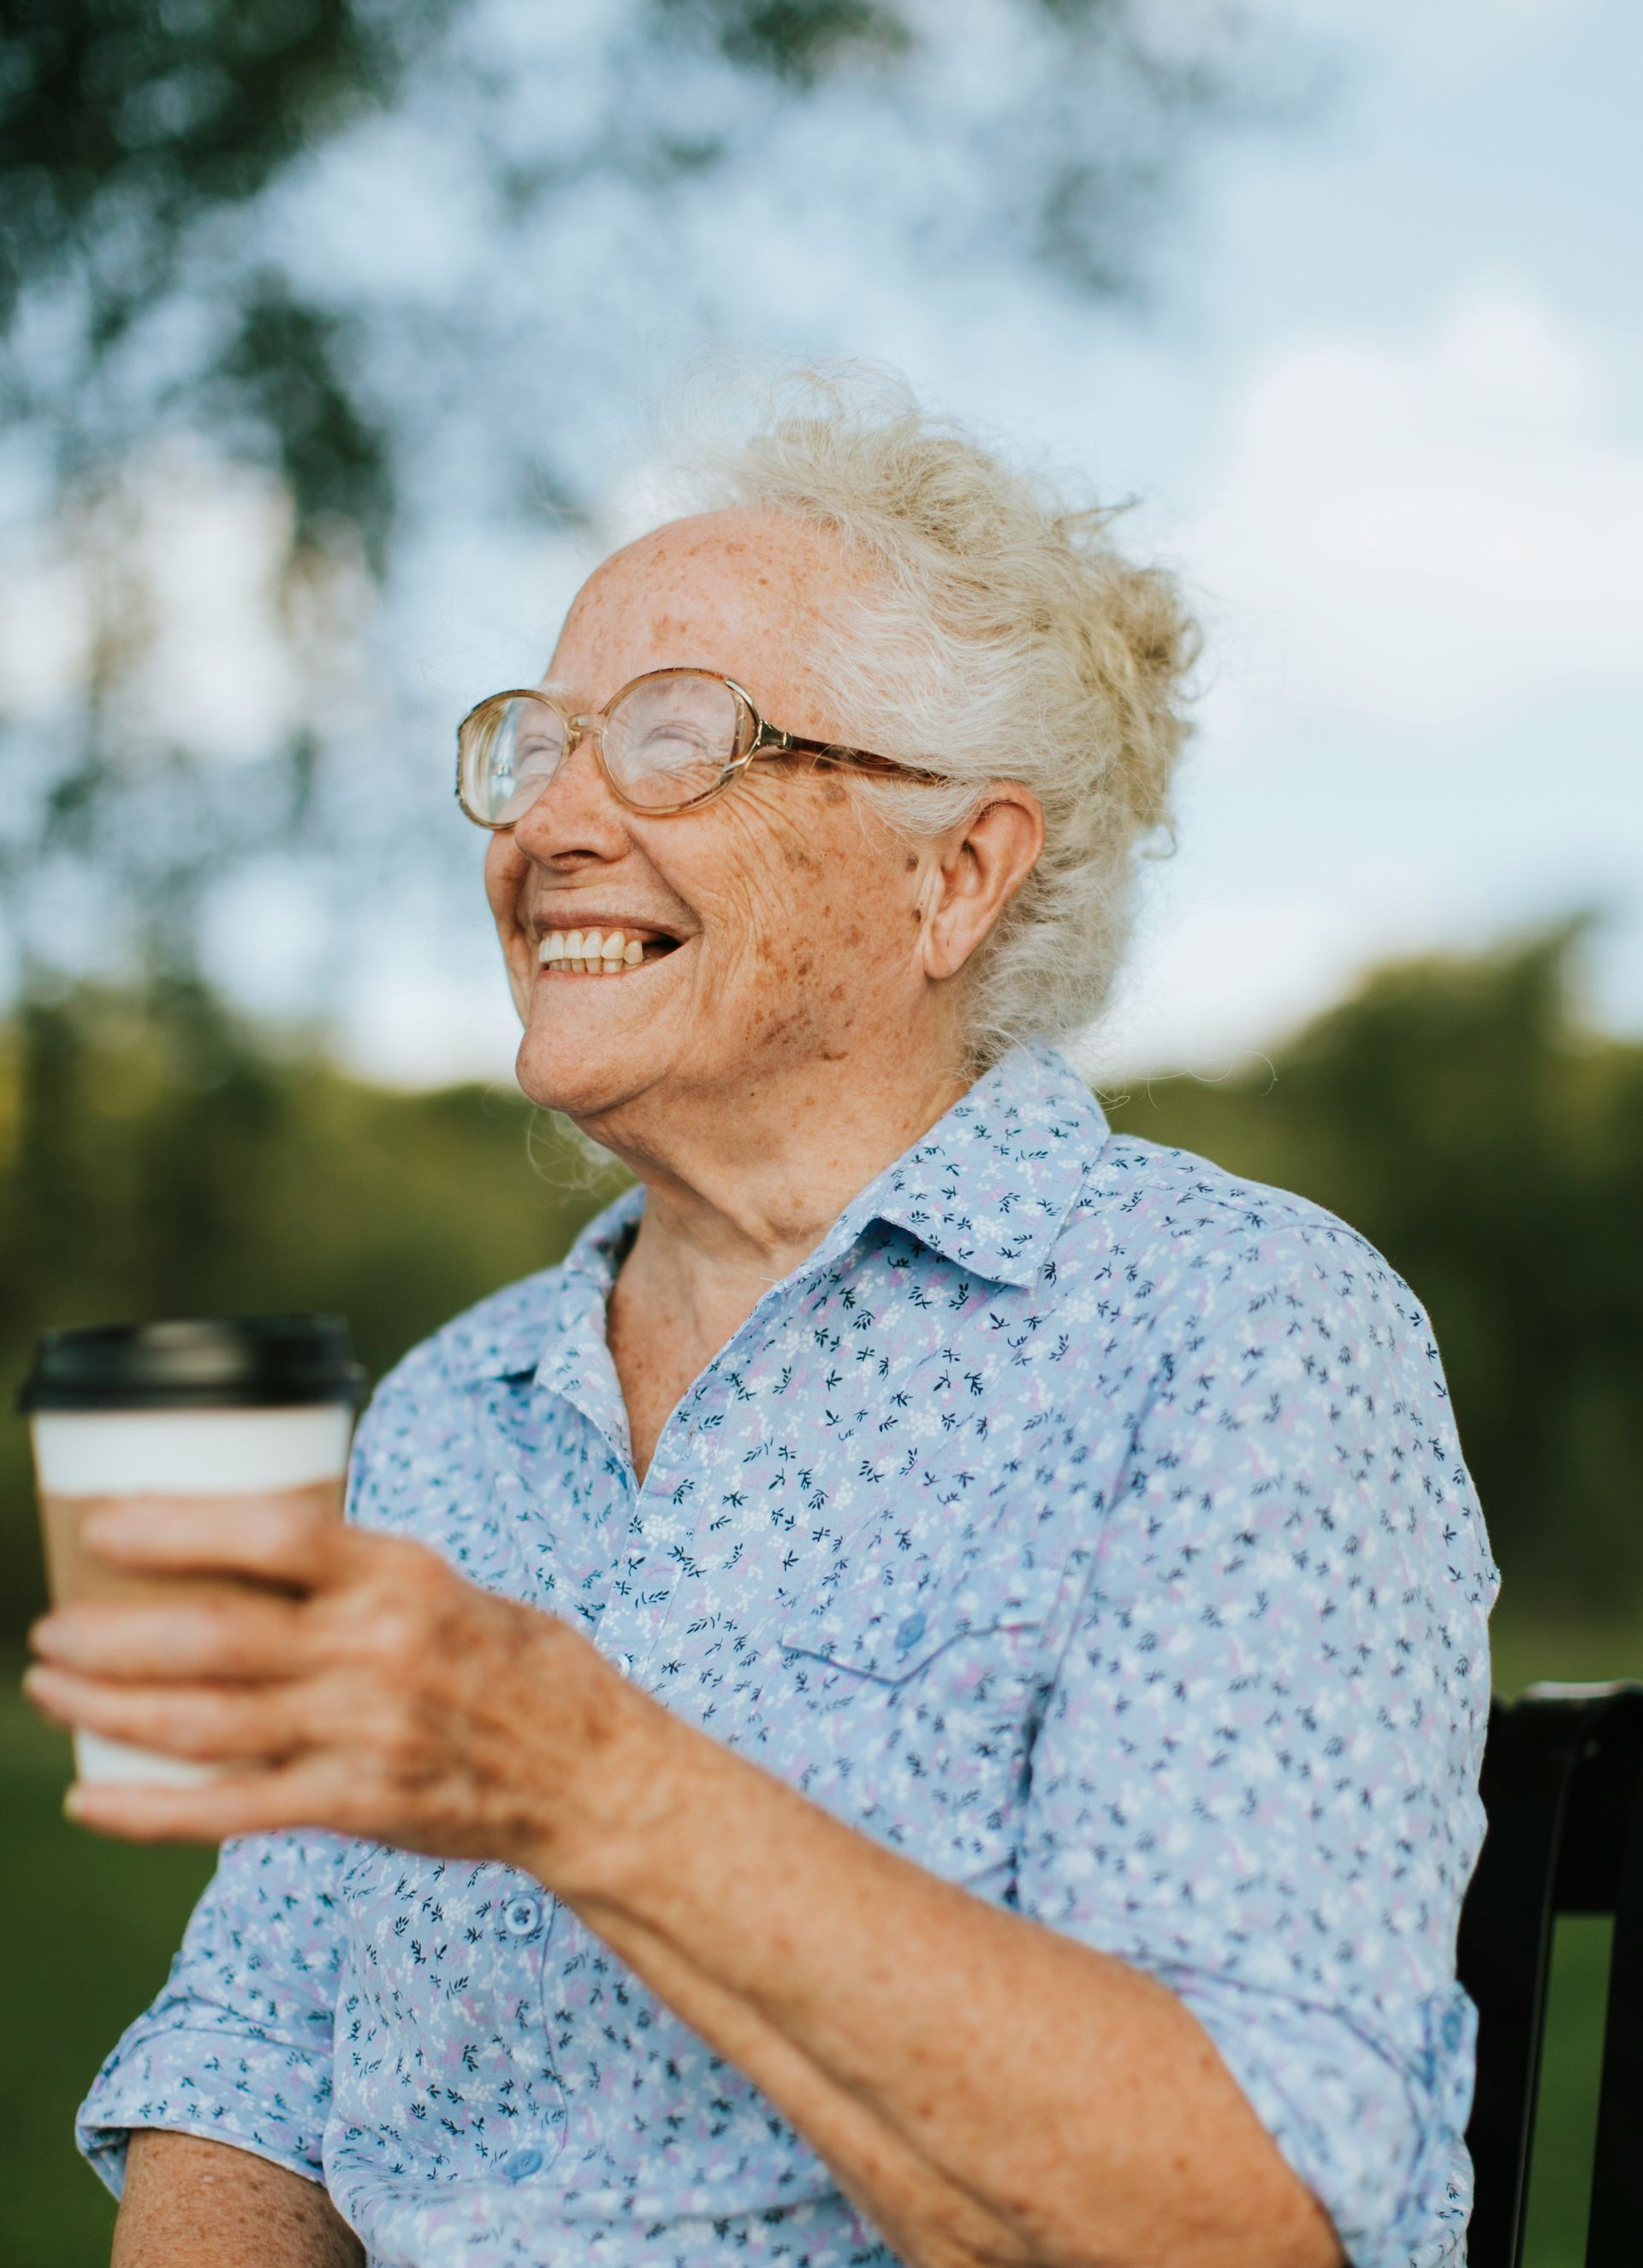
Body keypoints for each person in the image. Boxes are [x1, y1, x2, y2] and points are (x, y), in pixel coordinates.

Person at [27, 377, 1496, 2268]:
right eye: (535, 742)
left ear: (955, 872)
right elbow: (253, 2059)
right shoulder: (456, 1408)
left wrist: (572, 1763)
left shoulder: (1234, 1335)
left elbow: (1232, 2214)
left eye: (675, 742)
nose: (549, 817)